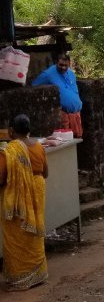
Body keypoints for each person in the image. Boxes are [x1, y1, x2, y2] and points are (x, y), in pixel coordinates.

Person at [0, 114, 48, 291]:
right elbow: (45, 171)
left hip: (18, 198)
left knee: (17, 236)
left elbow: (1, 177)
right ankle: (38, 274)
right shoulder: (38, 146)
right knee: (34, 232)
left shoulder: (9, 152)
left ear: (11, 131)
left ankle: (21, 279)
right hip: (38, 190)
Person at [32, 52, 83, 137]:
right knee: (66, 142)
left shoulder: (71, 74)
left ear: (69, 64)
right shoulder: (48, 74)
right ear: (56, 62)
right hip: (63, 115)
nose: (63, 67)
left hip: (76, 115)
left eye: (66, 65)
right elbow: (33, 87)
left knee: (76, 142)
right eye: (61, 65)